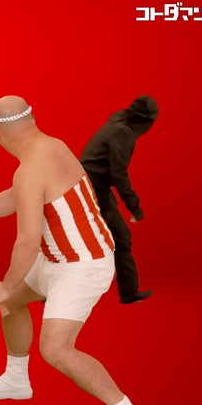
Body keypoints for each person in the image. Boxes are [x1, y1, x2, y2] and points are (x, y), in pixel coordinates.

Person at [0, 96, 147, 405]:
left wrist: (6, 286)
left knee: (55, 348)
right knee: (13, 303)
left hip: (83, 264)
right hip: (56, 258)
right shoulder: (51, 146)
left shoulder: (30, 169)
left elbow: (26, 242)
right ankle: (16, 379)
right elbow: (18, 195)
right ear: (32, 120)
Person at [79, 95, 157, 304]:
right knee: (120, 238)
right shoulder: (123, 132)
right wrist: (134, 206)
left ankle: (128, 290)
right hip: (93, 189)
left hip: (88, 186)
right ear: (145, 122)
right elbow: (118, 173)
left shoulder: (117, 126)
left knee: (87, 240)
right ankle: (129, 291)